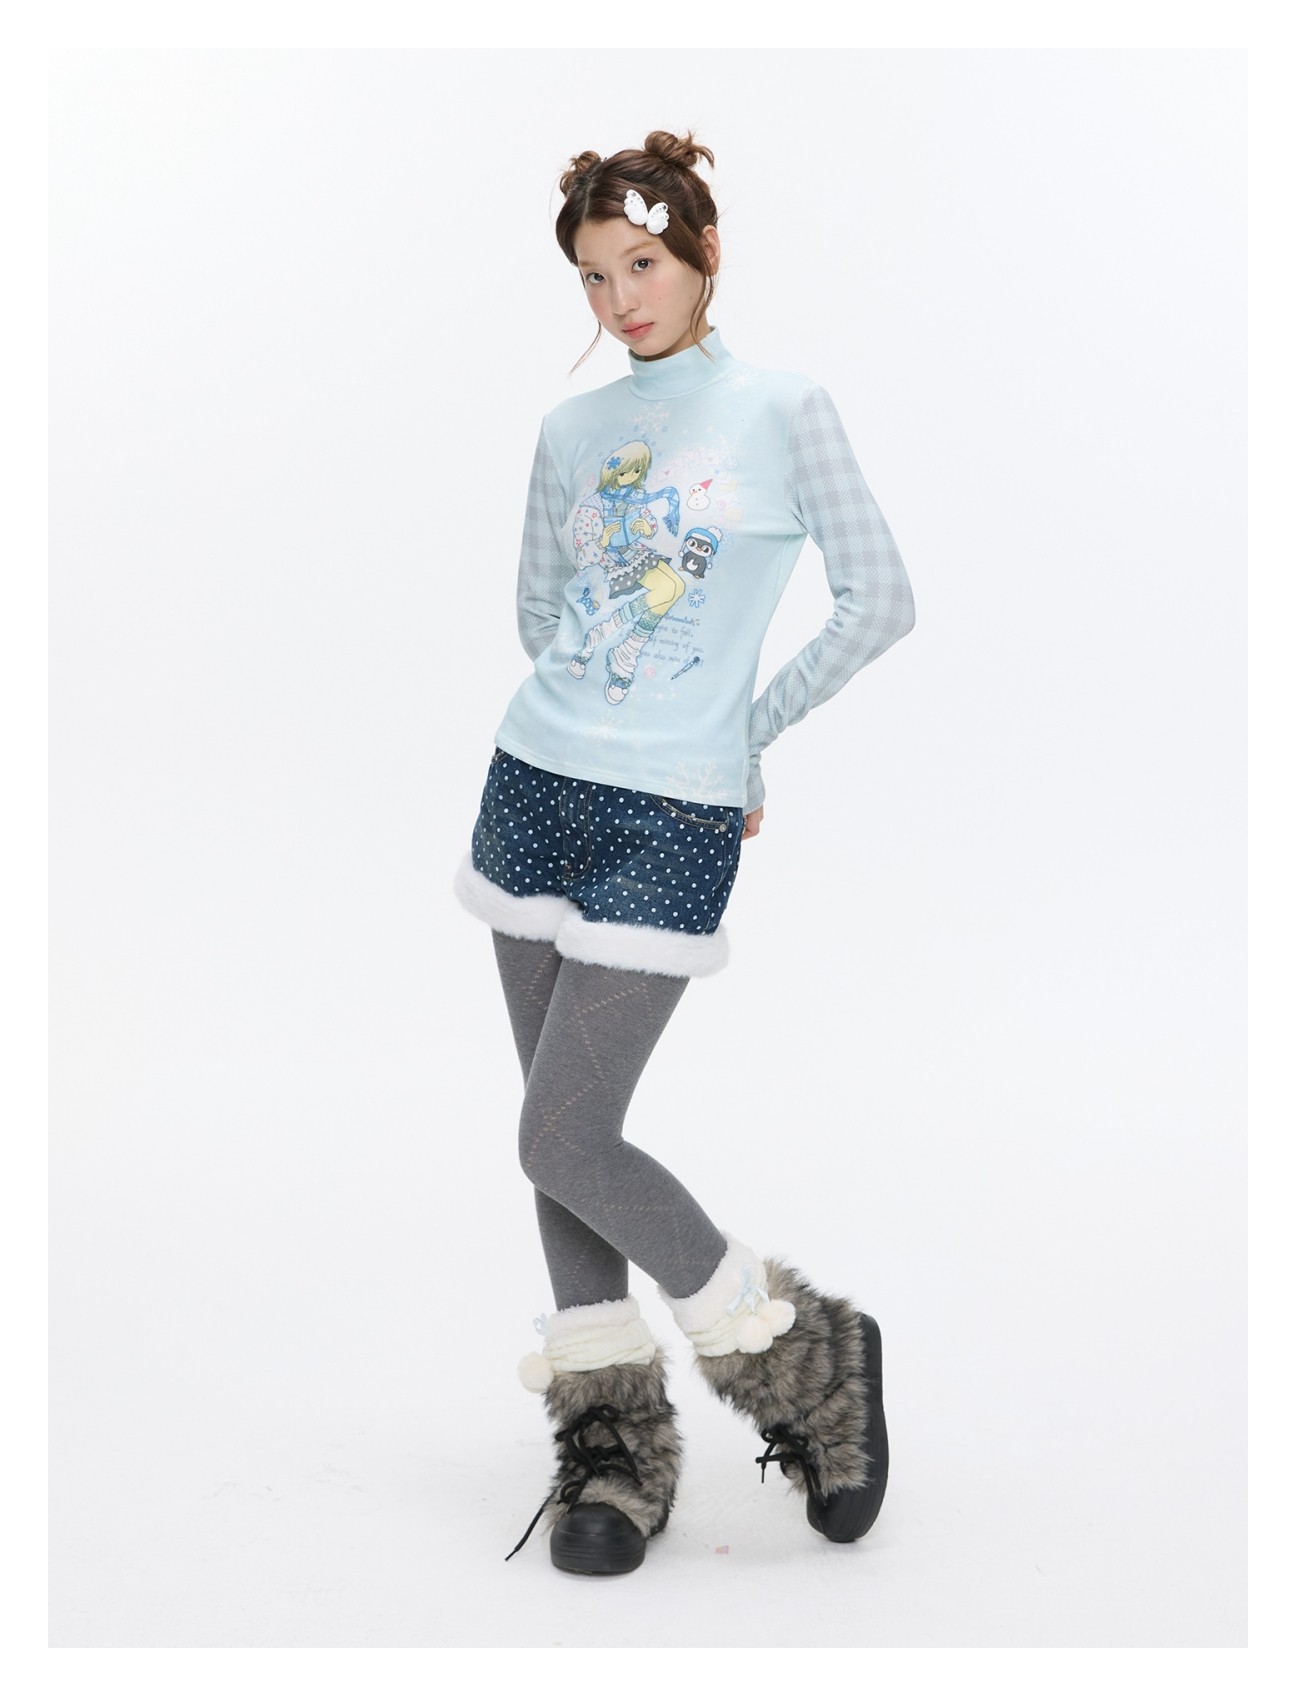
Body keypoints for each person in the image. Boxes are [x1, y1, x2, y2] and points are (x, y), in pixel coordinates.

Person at [453, 129, 915, 1576]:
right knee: (560, 1138)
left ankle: (806, 1361)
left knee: (561, 1132)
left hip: (672, 814)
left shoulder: (784, 409)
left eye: (642, 263)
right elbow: (542, 609)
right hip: (535, 788)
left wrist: (742, 730)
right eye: (594, 278)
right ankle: (613, 1440)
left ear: (703, 251)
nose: (621, 300)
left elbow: (880, 597)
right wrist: (607, 691)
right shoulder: (570, 430)